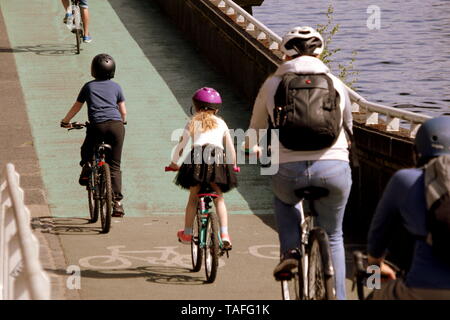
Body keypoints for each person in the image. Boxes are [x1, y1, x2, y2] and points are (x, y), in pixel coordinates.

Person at [245, 26, 354, 300]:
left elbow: (255, 129)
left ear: (285, 54)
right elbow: (349, 127)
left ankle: (291, 251)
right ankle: (338, 296)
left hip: (289, 168)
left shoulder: (272, 84)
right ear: (320, 52)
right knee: (335, 235)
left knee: (285, 200)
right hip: (334, 167)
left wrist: (253, 147)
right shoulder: (336, 83)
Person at [367, 116, 450, 300]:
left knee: (374, 294)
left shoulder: (404, 180)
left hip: (422, 289)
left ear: (416, 153)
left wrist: (374, 268)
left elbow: (377, 237)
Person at [167, 87, 238, 249]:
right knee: (218, 197)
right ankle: (225, 234)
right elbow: (230, 148)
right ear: (217, 109)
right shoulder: (221, 122)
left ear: (196, 107)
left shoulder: (192, 122)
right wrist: (233, 165)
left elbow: (181, 146)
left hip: (197, 159)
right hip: (218, 158)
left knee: (193, 198)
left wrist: (174, 163)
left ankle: (187, 233)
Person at [60, 53, 127, 217]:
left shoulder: (88, 86)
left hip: (97, 126)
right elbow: (123, 111)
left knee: (87, 149)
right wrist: (122, 121)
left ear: (94, 70)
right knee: (115, 166)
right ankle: (117, 204)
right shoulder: (117, 87)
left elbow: (77, 107)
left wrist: (65, 121)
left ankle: (87, 168)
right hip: (117, 126)